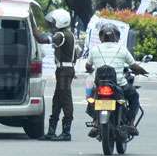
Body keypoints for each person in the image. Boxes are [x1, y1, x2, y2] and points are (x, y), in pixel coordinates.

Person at [85, 23, 148, 137]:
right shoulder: (122, 50)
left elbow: (88, 66)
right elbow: (133, 66)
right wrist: (143, 71)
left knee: (91, 99)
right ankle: (131, 123)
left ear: (101, 37)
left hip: (100, 85)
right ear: (117, 37)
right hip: (119, 85)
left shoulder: (94, 50)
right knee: (134, 96)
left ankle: (95, 122)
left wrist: (91, 69)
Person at [33, 9, 76, 141]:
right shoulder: (68, 34)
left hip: (64, 71)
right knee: (57, 99)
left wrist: (32, 24)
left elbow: (41, 39)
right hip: (63, 70)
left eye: (53, 22)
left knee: (65, 99)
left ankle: (66, 132)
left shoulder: (61, 35)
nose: (51, 25)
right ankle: (51, 132)